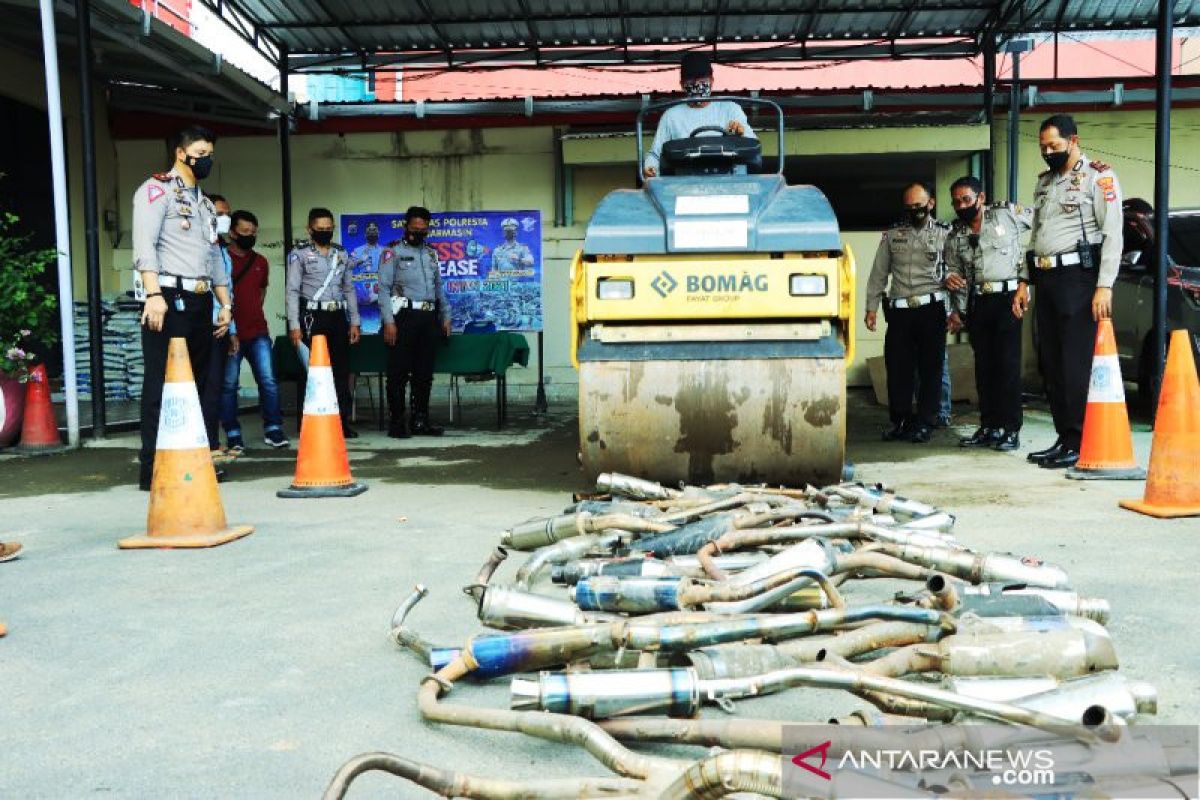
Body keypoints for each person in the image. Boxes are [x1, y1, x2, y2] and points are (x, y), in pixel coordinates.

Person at [1017, 114, 1123, 470]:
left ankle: (1079, 440)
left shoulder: (1098, 177)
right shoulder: (1045, 183)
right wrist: (1023, 280)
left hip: (1079, 280)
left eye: (1055, 146)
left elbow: (1113, 234)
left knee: (1074, 364)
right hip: (1046, 280)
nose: (1048, 152)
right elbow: (1034, 235)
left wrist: (1104, 286)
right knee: (1052, 364)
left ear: (1073, 140)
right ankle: (1064, 436)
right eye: (1043, 147)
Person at [132, 125, 232, 491]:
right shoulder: (156, 190)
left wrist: (225, 304)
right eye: (200, 154)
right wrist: (152, 295)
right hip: (168, 298)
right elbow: (145, 245)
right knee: (161, 386)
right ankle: (153, 471)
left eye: (210, 155)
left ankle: (194, 462)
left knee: (201, 387)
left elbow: (215, 257)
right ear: (180, 153)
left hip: (202, 299)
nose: (205, 160)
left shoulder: (206, 204)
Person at [944, 176, 1033, 452]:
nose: (961, 206)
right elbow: (952, 271)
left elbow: (1041, 230)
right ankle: (989, 425)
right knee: (985, 369)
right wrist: (954, 300)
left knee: (1007, 366)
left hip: (1008, 300)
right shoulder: (956, 234)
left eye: (966, 199)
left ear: (980, 198)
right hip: (978, 302)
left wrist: (1025, 282)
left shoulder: (1006, 215)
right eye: (957, 202)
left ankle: (1010, 429)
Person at [864, 182, 952, 443]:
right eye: (910, 206)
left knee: (931, 370)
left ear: (931, 203)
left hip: (932, 310)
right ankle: (900, 420)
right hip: (900, 311)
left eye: (919, 205)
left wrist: (958, 310)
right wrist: (871, 308)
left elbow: (957, 271)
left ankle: (926, 421)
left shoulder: (945, 234)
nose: (915, 210)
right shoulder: (893, 235)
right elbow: (879, 273)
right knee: (898, 369)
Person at [286, 207, 361, 439]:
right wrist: (294, 325)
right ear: (310, 229)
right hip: (311, 318)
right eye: (320, 229)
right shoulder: (299, 255)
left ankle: (341, 422)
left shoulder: (341, 253)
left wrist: (355, 322)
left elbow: (349, 288)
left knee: (341, 371)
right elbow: (292, 291)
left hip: (337, 317)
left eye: (329, 229)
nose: (325, 232)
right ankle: (309, 423)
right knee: (311, 372)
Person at [379, 206, 450, 438]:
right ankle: (397, 422)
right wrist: (389, 322)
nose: (419, 232)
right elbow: (383, 289)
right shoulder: (392, 251)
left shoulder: (430, 253)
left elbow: (439, 287)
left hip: (428, 318)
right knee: (398, 372)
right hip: (404, 317)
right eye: (414, 228)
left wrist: (445, 316)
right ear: (405, 226)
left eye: (423, 229)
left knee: (424, 373)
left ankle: (421, 421)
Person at [220, 209, 287, 451]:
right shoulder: (221, 259)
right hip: (230, 334)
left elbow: (261, 292)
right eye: (245, 232)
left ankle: (273, 429)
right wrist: (229, 329)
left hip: (258, 332)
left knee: (268, 381)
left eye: (253, 232)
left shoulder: (260, 262)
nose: (249, 236)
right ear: (232, 232)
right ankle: (233, 433)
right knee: (228, 385)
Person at [643, 52, 756, 178]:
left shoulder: (731, 109)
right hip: (686, 185)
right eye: (690, 78)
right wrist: (650, 168)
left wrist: (741, 135)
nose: (696, 83)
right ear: (682, 84)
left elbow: (753, 146)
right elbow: (655, 155)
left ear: (712, 81)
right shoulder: (671, 116)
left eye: (702, 78)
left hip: (731, 182)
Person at [201, 194, 235, 469]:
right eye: (219, 213)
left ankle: (211, 440)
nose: (225, 218)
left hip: (223, 325)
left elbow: (227, 293)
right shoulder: (200, 245)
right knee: (208, 388)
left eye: (227, 213)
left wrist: (232, 329)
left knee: (216, 387)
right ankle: (208, 444)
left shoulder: (221, 248)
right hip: (207, 326)